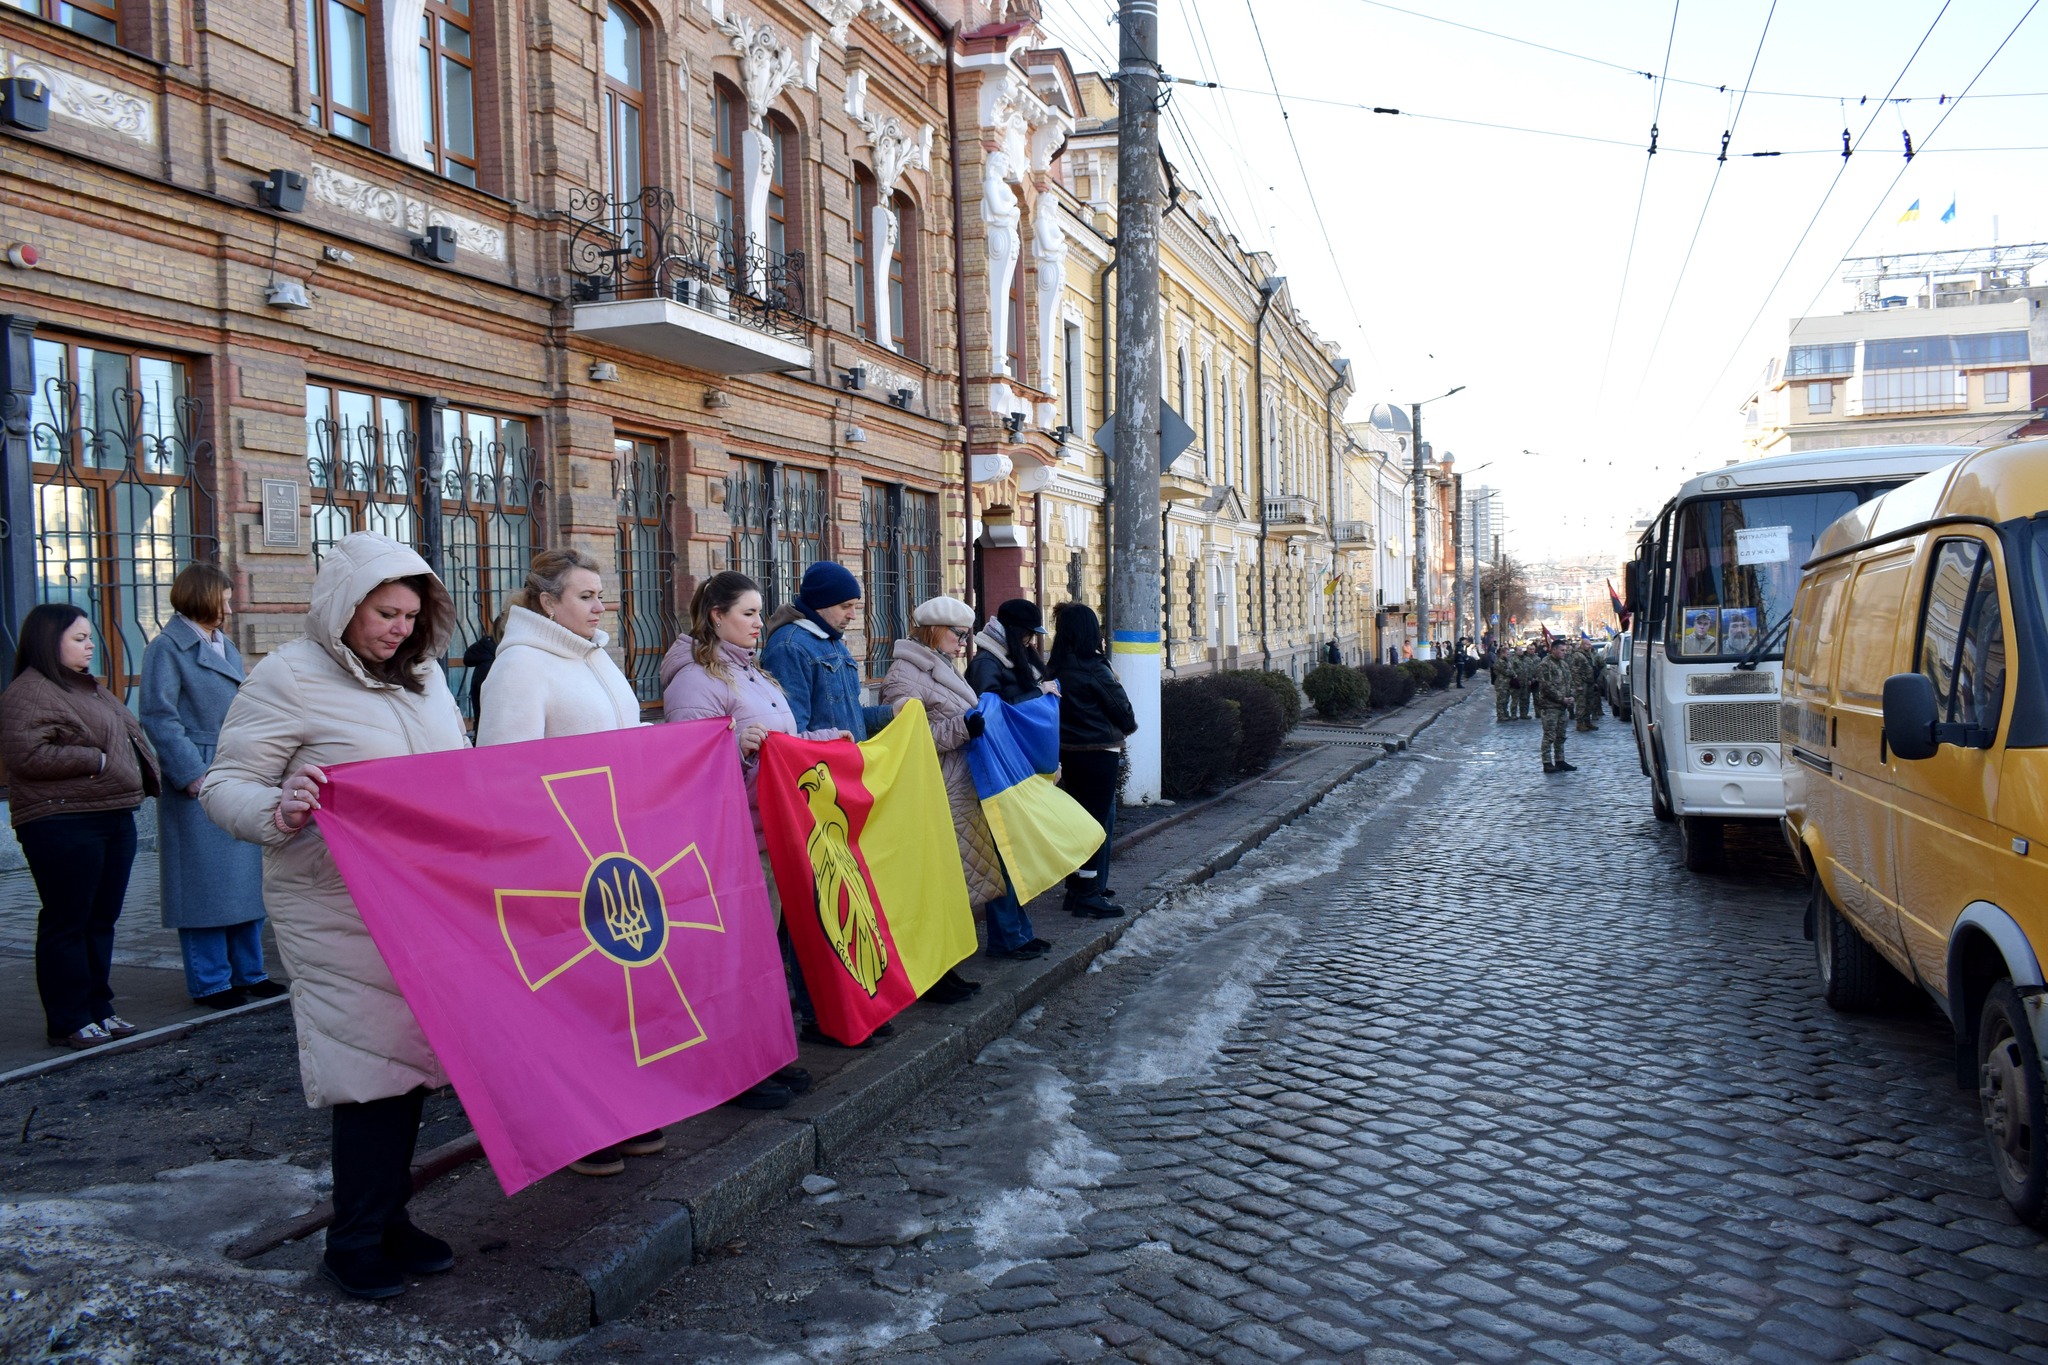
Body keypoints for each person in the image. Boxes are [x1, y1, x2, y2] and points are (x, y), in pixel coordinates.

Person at [201, 533, 466, 1301]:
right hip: (334, 901)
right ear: (345, 606)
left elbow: (458, 767)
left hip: (423, 899)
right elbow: (224, 783)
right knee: (368, 1069)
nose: (399, 629)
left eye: (411, 616)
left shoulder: (426, 678)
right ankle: (351, 1241)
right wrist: (278, 808)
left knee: (411, 1065)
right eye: (386, 613)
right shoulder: (288, 675)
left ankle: (390, 1220)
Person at [476, 548, 680, 1175]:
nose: (600, 607)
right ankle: (579, 1126)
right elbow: (504, 774)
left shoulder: (596, 658)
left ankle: (626, 1107)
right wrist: (542, 850)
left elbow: (622, 742)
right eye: (586, 596)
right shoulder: (518, 667)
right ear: (547, 602)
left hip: (615, 852)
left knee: (622, 987)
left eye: (601, 595)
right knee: (574, 996)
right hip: (561, 862)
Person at [661, 571, 868, 1061]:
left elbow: (781, 743)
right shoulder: (695, 682)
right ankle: (742, 1061)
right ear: (717, 616)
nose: (760, 623)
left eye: (759, 612)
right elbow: (691, 770)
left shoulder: (753, 672)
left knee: (769, 954)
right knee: (744, 957)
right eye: (749, 613)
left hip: (776, 831)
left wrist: (826, 741)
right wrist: (739, 749)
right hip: (737, 842)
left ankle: (767, 1052)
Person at [1, 604, 161, 1051]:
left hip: (112, 814)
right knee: (68, 921)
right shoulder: (30, 690)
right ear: (48, 640)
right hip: (63, 822)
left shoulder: (87, 687)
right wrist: (98, 760)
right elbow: (25, 755)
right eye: (79, 638)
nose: (91, 645)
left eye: (89, 637)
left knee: (100, 920)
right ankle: (68, 1020)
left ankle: (99, 1008)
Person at [139, 564, 279, 1011]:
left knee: (244, 882)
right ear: (202, 597)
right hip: (199, 777)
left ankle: (250, 972)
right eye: (224, 599)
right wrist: (191, 774)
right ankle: (212, 981)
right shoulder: (166, 648)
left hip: (236, 769)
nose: (230, 608)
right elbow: (159, 717)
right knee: (205, 887)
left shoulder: (225, 645)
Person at [879, 596, 995, 1003]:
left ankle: (947, 967)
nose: (964, 643)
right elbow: (905, 738)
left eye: (966, 636)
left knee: (953, 886)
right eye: (958, 634)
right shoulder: (905, 674)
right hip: (934, 791)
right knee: (936, 886)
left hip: (957, 787)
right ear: (934, 631)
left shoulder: (941, 664)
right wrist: (963, 727)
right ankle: (932, 974)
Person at [965, 599, 1058, 960]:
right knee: (1004, 856)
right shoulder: (987, 663)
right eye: (1027, 635)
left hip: (1015, 768)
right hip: (998, 773)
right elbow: (990, 713)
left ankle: (1019, 933)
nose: (1031, 642)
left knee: (1014, 854)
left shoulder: (1005, 657)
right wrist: (1038, 694)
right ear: (1013, 632)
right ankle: (1007, 939)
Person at [1045, 604, 1136, 919]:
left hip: (1066, 752)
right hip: (1098, 751)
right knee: (1095, 825)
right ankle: (1087, 894)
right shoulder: (1094, 667)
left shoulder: (1054, 667)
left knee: (1077, 822)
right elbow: (1123, 711)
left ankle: (1076, 888)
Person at [759, 561, 898, 741]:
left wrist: (891, 713)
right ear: (820, 603)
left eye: (854, 606)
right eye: (845, 606)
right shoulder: (789, 648)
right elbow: (792, 737)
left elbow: (851, 719)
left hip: (849, 758)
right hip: (824, 760)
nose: (853, 615)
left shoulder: (833, 640)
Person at [1535, 637, 1576, 773]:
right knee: (1549, 735)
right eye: (1562, 650)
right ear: (1553, 650)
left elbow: (1569, 682)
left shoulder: (1563, 664)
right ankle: (1547, 762)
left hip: (1562, 706)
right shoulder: (1545, 665)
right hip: (1550, 706)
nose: (1565, 652)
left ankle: (1560, 760)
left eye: (1565, 650)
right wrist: (1561, 698)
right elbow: (1547, 686)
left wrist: (1571, 696)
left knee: (1561, 735)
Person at [1569, 640, 1597, 733]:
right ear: (1583, 645)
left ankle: (1587, 722)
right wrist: (1578, 684)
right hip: (1582, 683)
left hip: (1589, 682)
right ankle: (1580, 723)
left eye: (1590, 644)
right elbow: (1575, 671)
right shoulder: (1578, 655)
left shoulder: (1589, 654)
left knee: (1589, 703)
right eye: (1588, 644)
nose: (1590, 646)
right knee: (1581, 704)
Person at [1491, 644, 1514, 722]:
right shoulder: (1499, 662)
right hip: (1501, 684)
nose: (1508, 655)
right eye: (1507, 654)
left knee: (1506, 700)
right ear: (1502, 653)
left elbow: (1511, 669)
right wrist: (1513, 674)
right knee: (1501, 700)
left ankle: (1505, 713)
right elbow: (1507, 671)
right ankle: (1500, 715)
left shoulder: (1506, 661)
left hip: (1507, 683)